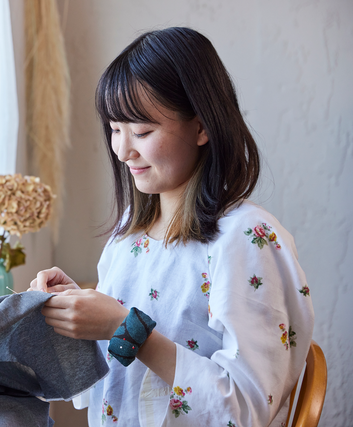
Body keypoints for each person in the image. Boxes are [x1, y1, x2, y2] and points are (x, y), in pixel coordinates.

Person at [28, 27, 314, 427]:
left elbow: (246, 409)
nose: (123, 151)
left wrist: (124, 327)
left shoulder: (247, 238)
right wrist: (78, 312)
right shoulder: (129, 234)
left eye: (141, 131)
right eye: (115, 129)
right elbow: (113, 373)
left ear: (201, 127)